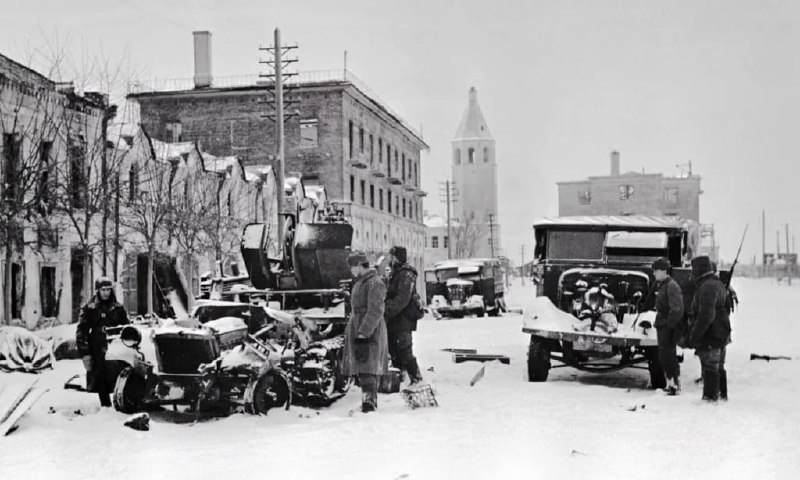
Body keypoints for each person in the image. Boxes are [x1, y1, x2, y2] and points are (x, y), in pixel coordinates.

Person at [342, 251, 389, 413]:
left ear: (359, 265)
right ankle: (367, 402)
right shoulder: (362, 282)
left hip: (370, 331)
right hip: (361, 328)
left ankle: (369, 404)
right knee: (363, 366)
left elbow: (375, 311)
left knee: (368, 367)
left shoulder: (374, 283)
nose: (351, 270)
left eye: (352, 266)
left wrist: (364, 333)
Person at [76, 277, 129, 407]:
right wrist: (85, 353)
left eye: (108, 290)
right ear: (98, 291)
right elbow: (81, 331)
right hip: (97, 348)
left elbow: (127, 327)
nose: (106, 293)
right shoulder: (90, 308)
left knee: (119, 375)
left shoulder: (117, 308)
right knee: (100, 377)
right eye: (103, 290)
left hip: (116, 347)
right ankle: (105, 406)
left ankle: (120, 401)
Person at [688, 256, 731, 402]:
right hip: (720, 330)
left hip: (712, 332)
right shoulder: (715, 283)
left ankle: (710, 399)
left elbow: (706, 315)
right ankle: (721, 396)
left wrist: (695, 335)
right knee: (718, 365)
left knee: (711, 365)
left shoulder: (707, 286)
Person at [384, 246, 423, 385]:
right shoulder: (395, 273)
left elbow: (402, 299)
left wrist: (386, 310)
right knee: (393, 349)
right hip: (395, 319)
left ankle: (416, 379)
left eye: (390, 256)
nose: (388, 259)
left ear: (396, 257)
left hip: (404, 319)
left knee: (405, 350)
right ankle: (400, 378)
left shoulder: (407, 274)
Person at [652, 258, 684, 395]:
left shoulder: (671, 286)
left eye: (656, 271)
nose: (654, 274)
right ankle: (670, 383)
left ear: (663, 271)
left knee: (669, 356)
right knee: (664, 356)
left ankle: (674, 385)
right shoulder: (664, 285)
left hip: (667, 326)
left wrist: (670, 326)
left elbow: (677, 309)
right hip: (663, 324)